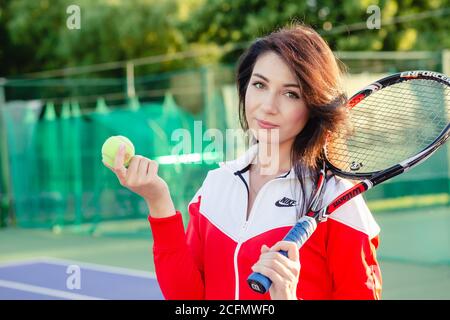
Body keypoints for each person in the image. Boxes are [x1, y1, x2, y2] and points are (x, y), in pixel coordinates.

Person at [104, 24, 382, 300]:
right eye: (260, 85)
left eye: (291, 93)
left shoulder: (339, 199)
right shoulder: (217, 183)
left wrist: (288, 297)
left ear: (314, 104)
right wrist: (158, 200)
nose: (268, 106)